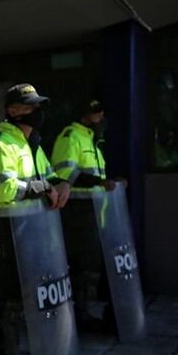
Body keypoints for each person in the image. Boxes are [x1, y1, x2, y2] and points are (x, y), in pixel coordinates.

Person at [0, 83, 71, 355]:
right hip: (9, 232)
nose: (37, 111)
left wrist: (61, 185)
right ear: (12, 110)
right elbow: (5, 190)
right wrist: (43, 188)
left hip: (34, 232)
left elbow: (50, 176)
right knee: (10, 300)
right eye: (30, 106)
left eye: (37, 106)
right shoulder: (1, 145)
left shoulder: (32, 145)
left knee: (28, 297)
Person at [50, 99, 124, 333]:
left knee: (92, 265)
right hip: (77, 213)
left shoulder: (92, 140)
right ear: (84, 116)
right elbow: (64, 174)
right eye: (96, 114)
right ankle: (78, 316)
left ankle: (91, 313)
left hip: (94, 212)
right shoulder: (71, 136)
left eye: (102, 113)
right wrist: (101, 182)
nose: (101, 118)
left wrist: (109, 183)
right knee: (81, 266)